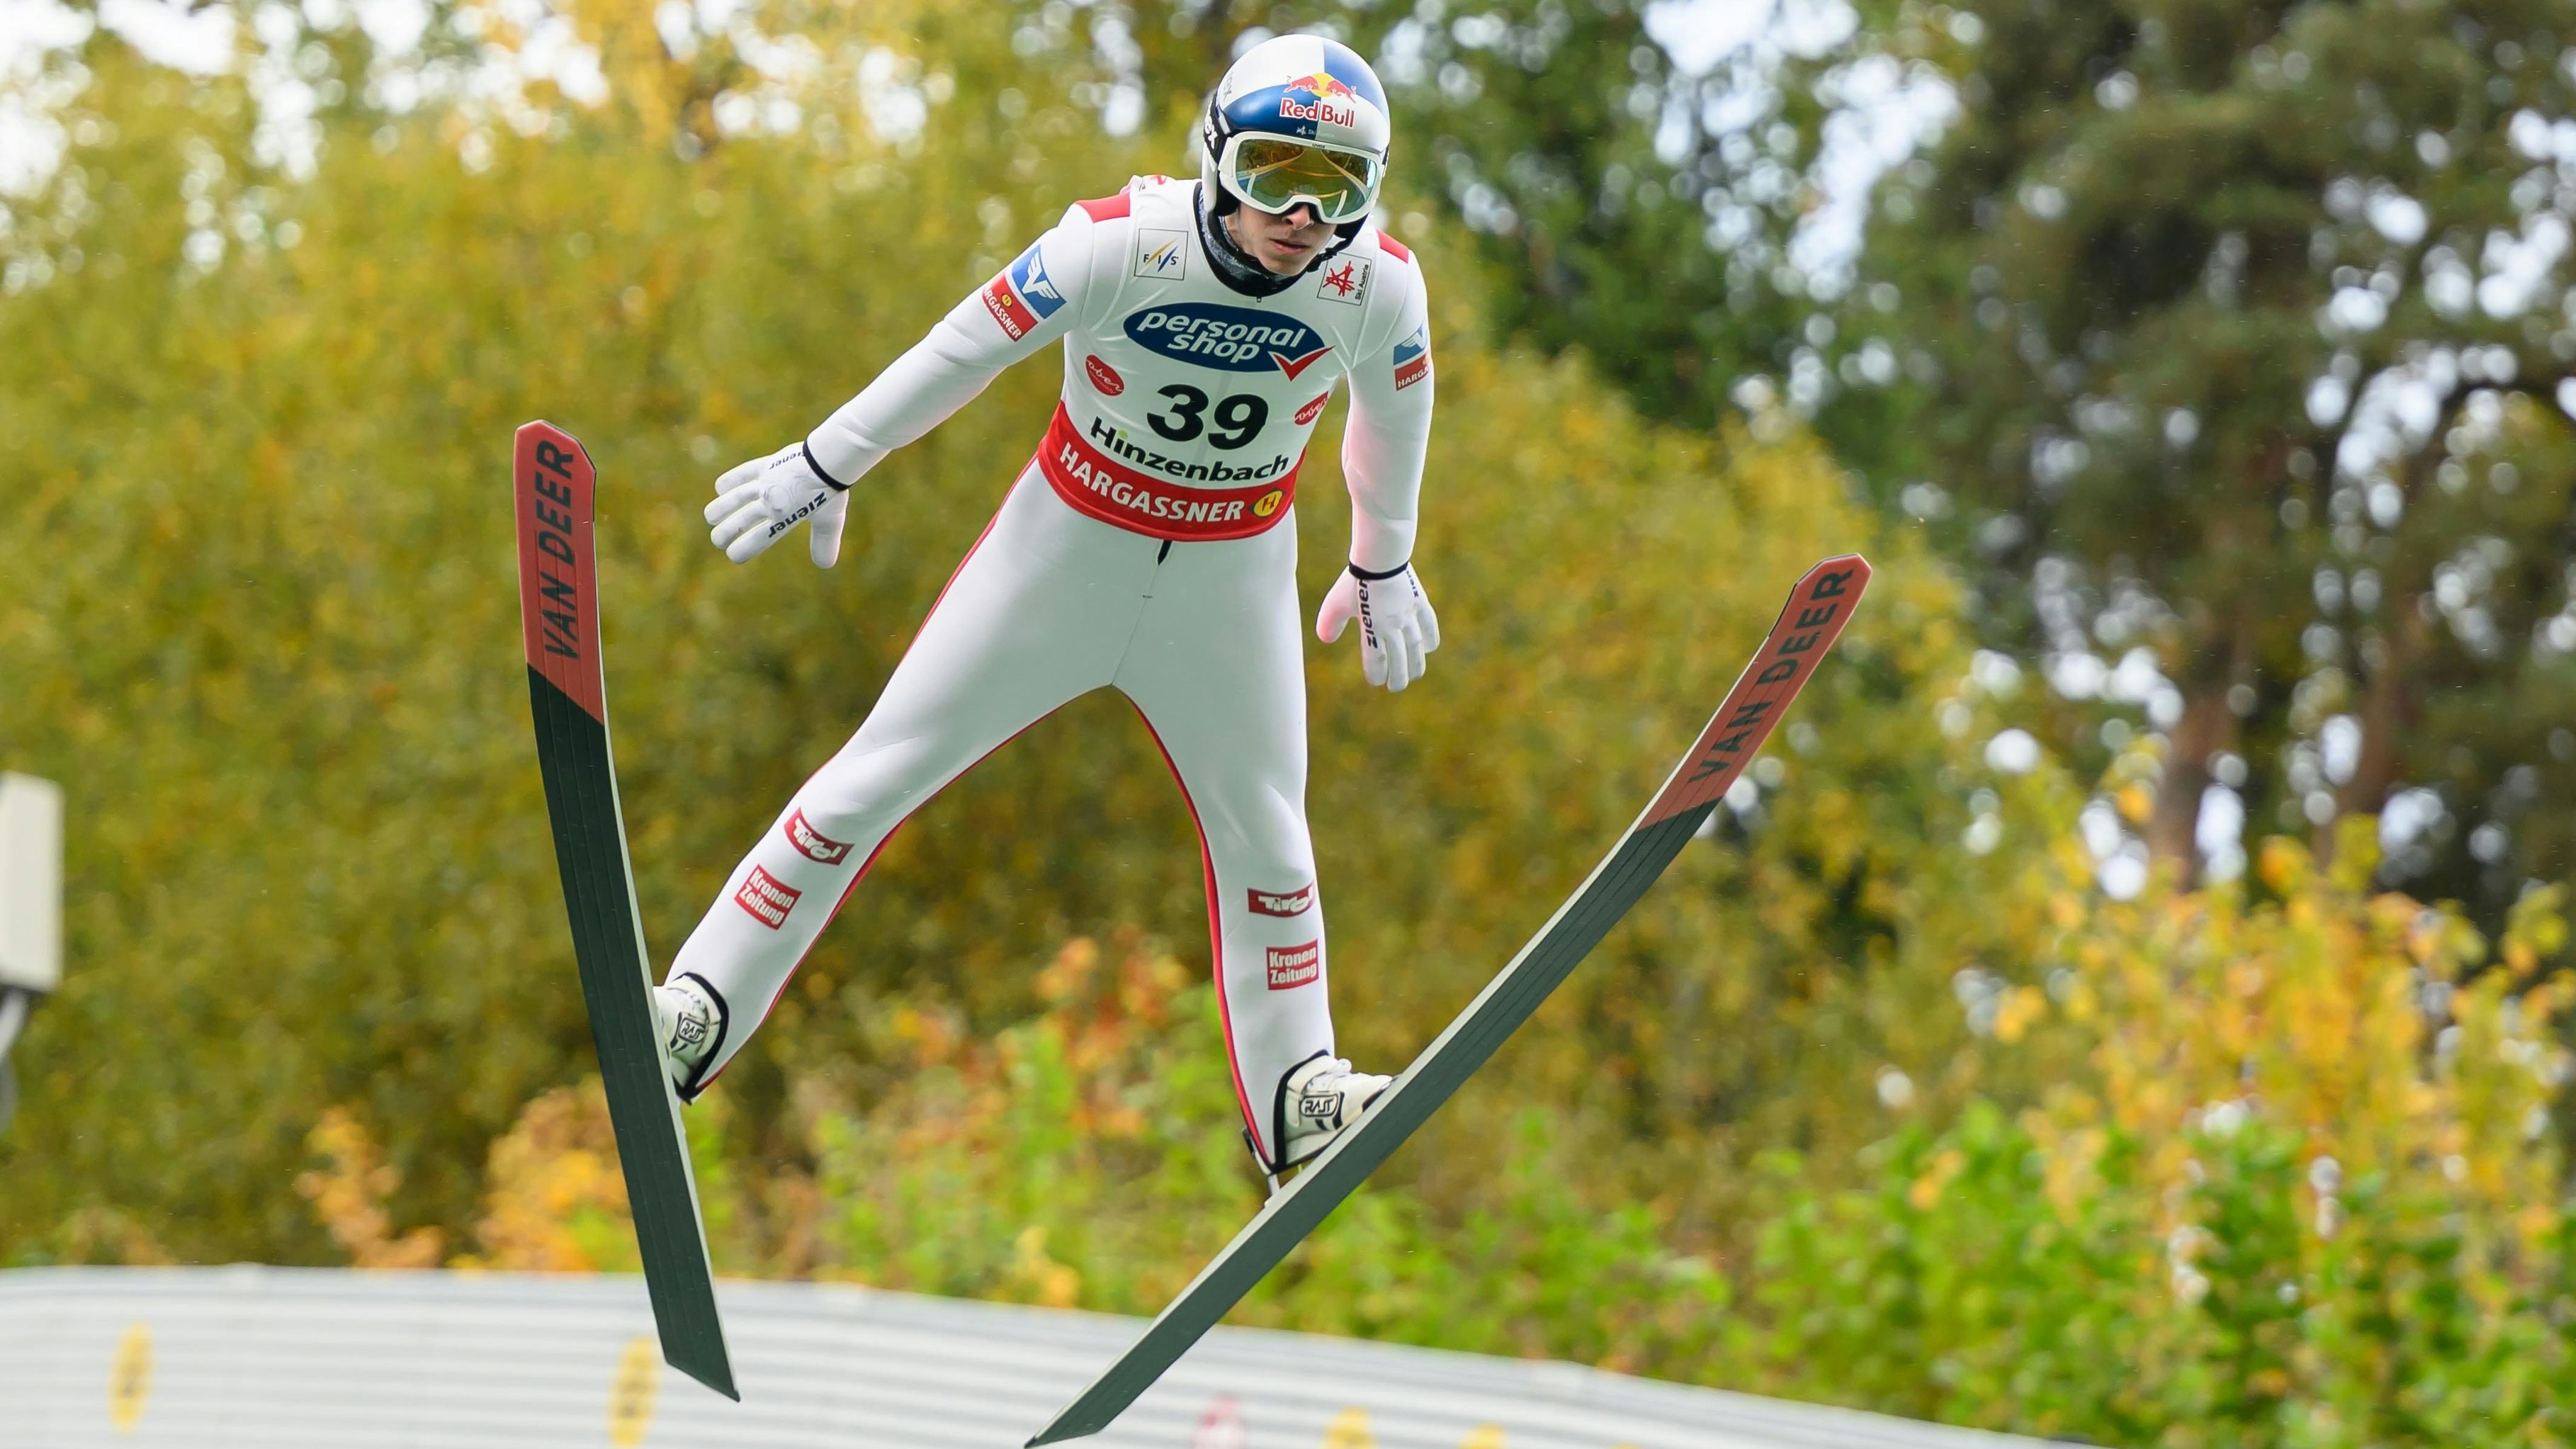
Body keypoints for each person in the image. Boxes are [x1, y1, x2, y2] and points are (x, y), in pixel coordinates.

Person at [651, 33, 1437, 1178]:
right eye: (1275, 171)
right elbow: (959, 349)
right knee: (870, 777)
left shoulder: (1380, 285)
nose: (1302, 215)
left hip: (1231, 577)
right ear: (1215, 153)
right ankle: (700, 1003)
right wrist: (828, 459)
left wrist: (1385, 557)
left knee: (1272, 839)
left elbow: (1394, 418)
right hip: (1065, 552)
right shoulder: (1116, 243)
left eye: (1338, 188)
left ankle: (1294, 1092)